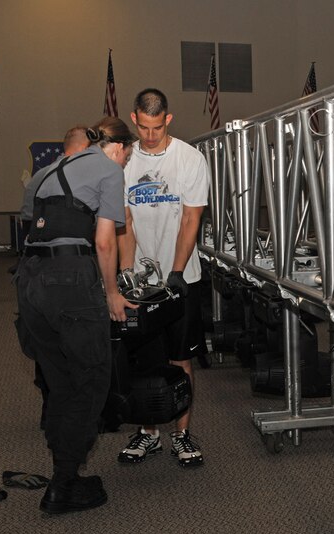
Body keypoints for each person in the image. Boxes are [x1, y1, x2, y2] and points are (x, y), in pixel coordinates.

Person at [15, 116, 137, 514]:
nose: (124, 162)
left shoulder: (49, 169)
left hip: (29, 280)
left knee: (60, 380)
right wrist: (112, 294)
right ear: (119, 148)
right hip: (70, 281)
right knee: (92, 379)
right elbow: (104, 242)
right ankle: (64, 484)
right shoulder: (108, 169)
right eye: (127, 156)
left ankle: (62, 470)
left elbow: (30, 220)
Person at [117, 88, 210, 467]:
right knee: (140, 359)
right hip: (141, 278)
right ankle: (148, 433)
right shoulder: (123, 160)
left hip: (180, 277)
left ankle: (182, 434)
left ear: (167, 120)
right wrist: (126, 273)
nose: (150, 136)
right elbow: (125, 222)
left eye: (157, 127)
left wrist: (175, 272)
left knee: (180, 360)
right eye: (144, 127)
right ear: (134, 119)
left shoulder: (189, 159)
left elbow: (191, 219)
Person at [20, 125, 92, 430]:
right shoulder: (86, 177)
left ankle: (51, 409)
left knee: (46, 343)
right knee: (78, 342)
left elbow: (28, 221)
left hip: (36, 272)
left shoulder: (41, 176)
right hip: (73, 272)